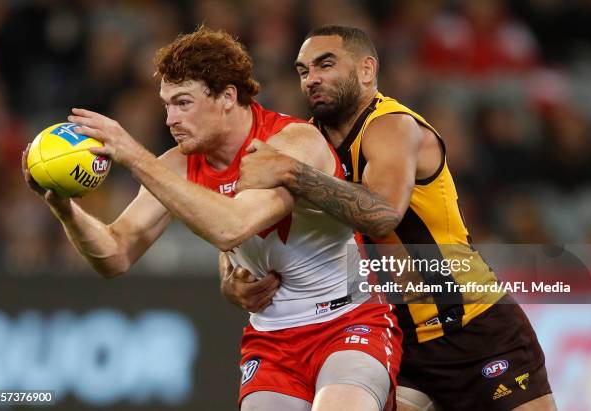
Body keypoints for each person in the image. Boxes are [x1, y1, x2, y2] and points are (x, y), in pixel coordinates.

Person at [21, 26, 402, 411]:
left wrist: (134, 156)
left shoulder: (291, 144)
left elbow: (231, 226)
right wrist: (63, 207)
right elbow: (115, 253)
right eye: (166, 104)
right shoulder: (177, 165)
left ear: (227, 97)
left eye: (183, 103)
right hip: (272, 340)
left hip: (349, 322)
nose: (171, 119)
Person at [222, 25, 556, 411]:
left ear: (366, 70)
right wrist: (231, 280)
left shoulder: (393, 127)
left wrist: (292, 174)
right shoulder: (301, 143)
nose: (312, 79)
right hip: (389, 337)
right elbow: (242, 219)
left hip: (473, 327)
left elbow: (381, 215)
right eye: (303, 71)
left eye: (325, 65)